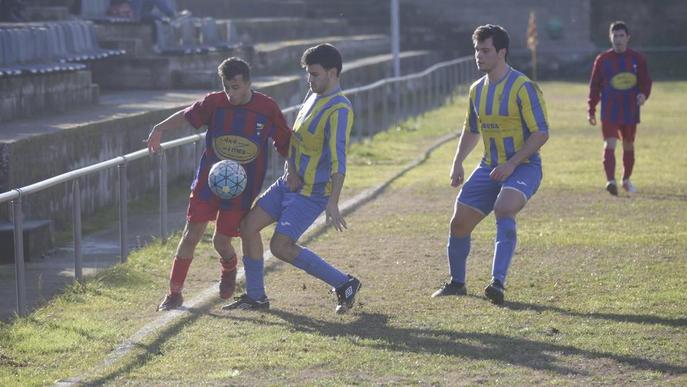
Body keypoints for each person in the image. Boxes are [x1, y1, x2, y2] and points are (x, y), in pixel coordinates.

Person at [224, 43, 361, 314]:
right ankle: (256, 297)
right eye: (308, 74)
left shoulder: (340, 110)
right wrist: (292, 168)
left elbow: (338, 159)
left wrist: (333, 202)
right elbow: (293, 141)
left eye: (315, 74)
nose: (309, 80)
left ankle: (344, 283)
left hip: (312, 193)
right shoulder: (312, 96)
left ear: (333, 73)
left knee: (280, 246)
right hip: (289, 183)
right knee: (248, 226)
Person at [145, 57, 291, 311]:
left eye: (235, 87)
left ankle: (229, 266)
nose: (230, 93)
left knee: (221, 242)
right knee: (190, 235)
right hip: (208, 182)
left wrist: (297, 170)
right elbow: (185, 114)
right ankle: (174, 294)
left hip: (241, 189)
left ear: (248, 83)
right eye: (226, 87)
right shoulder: (215, 103)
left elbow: (285, 142)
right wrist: (159, 128)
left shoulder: (266, 108)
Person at [431, 24, 549, 305]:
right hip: (489, 167)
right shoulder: (476, 90)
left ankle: (497, 282)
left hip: (525, 165)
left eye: (485, 51)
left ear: (502, 52)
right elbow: (472, 129)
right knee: (458, 223)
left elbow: (541, 132)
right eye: (476, 50)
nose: (479, 56)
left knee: (504, 207)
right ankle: (457, 283)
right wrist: (457, 162)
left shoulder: (523, 87)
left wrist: (512, 163)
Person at [588, 21, 651, 196]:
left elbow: (645, 82)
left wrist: (643, 95)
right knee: (610, 143)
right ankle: (611, 181)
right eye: (615, 36)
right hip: (609, 110)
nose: (618, 39)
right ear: (610, 37)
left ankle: (626, 179)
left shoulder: (638, 59)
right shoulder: (602, 60)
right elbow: (594, 86)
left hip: (630, 109)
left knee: (629, 144)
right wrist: (591, 109)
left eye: (621, 35)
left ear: (628, 38)